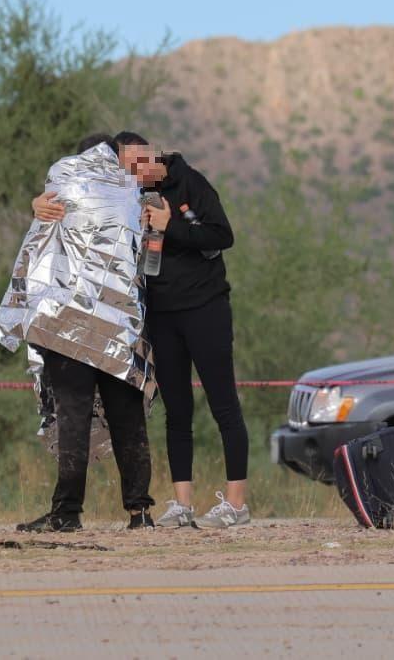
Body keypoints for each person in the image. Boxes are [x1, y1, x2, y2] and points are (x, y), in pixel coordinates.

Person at [33, 131, 249, 529]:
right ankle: (182, 504)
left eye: (138, 163)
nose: (136, 173)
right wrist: (39, 203)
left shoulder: (191, 182)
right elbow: (76, 204)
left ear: (151, 152)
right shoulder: (126, 195)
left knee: (223, 405)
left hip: (206, 308)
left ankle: (235, 504)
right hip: (160, 316)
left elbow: (223, 235)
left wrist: (171, 226)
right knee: (177, 411)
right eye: (127, 169)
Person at [3, 133, 156, 533]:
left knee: (73, 420)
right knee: (128, 422)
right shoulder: (133, 196)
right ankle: (140, 512)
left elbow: (33, 252)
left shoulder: (63, 186)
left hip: (65, 326)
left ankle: (67, 513)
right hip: (119, 330)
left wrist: (13, 314)